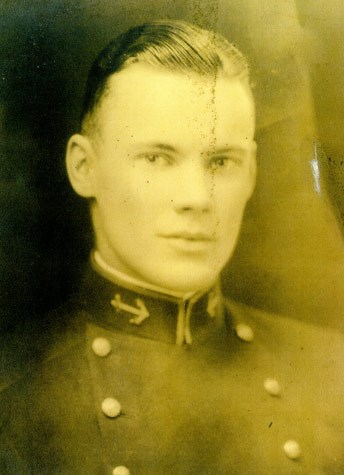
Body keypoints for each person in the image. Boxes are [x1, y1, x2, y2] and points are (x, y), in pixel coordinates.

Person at [1, 20, 344, 475]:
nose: (197, 199)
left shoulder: (331, 369)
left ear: (252, 174)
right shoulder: (15, 399)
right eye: (157, 158)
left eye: (222, 161)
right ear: (83, 168)